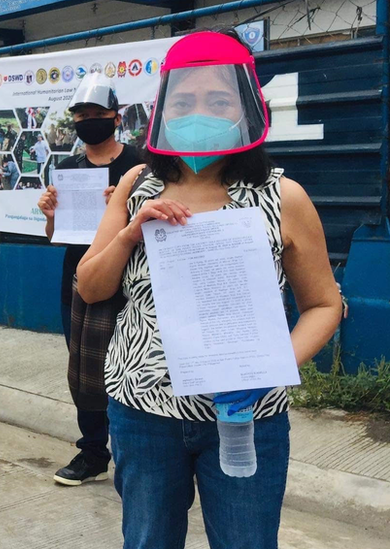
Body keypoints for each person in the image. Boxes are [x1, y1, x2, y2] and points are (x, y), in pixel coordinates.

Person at [77, 31, 341, 548]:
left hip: (247, 417)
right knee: (148, 540)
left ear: (246, 106)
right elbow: (90, 286)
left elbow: (324, 304)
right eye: (185, 100)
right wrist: (133, 233)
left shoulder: (284, 196)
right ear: (163, 108)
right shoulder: (136, 186)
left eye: (219, 100)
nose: (200, 112)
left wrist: (270, 367)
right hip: (143, 413)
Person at [37, 72, 141, 486]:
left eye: (97, 114)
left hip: (130, 286)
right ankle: (94, 452)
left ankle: (137, 457)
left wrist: (124, 205)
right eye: (81, 114)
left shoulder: (139, 165)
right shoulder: (68, 169)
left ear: (116, 118)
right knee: (84, 373)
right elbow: (55, 237)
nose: (88, 121)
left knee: (131, 369)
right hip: (79, 283)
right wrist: (49, 217)